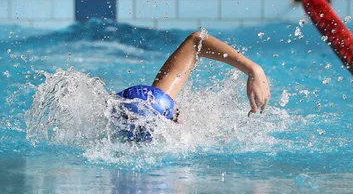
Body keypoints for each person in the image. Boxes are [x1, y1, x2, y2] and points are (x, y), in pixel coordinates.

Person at [116, 30, 271, 141]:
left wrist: (254, 70)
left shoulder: (151, 106)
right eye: (175, 115)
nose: (181, 117)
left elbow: (197, 41)